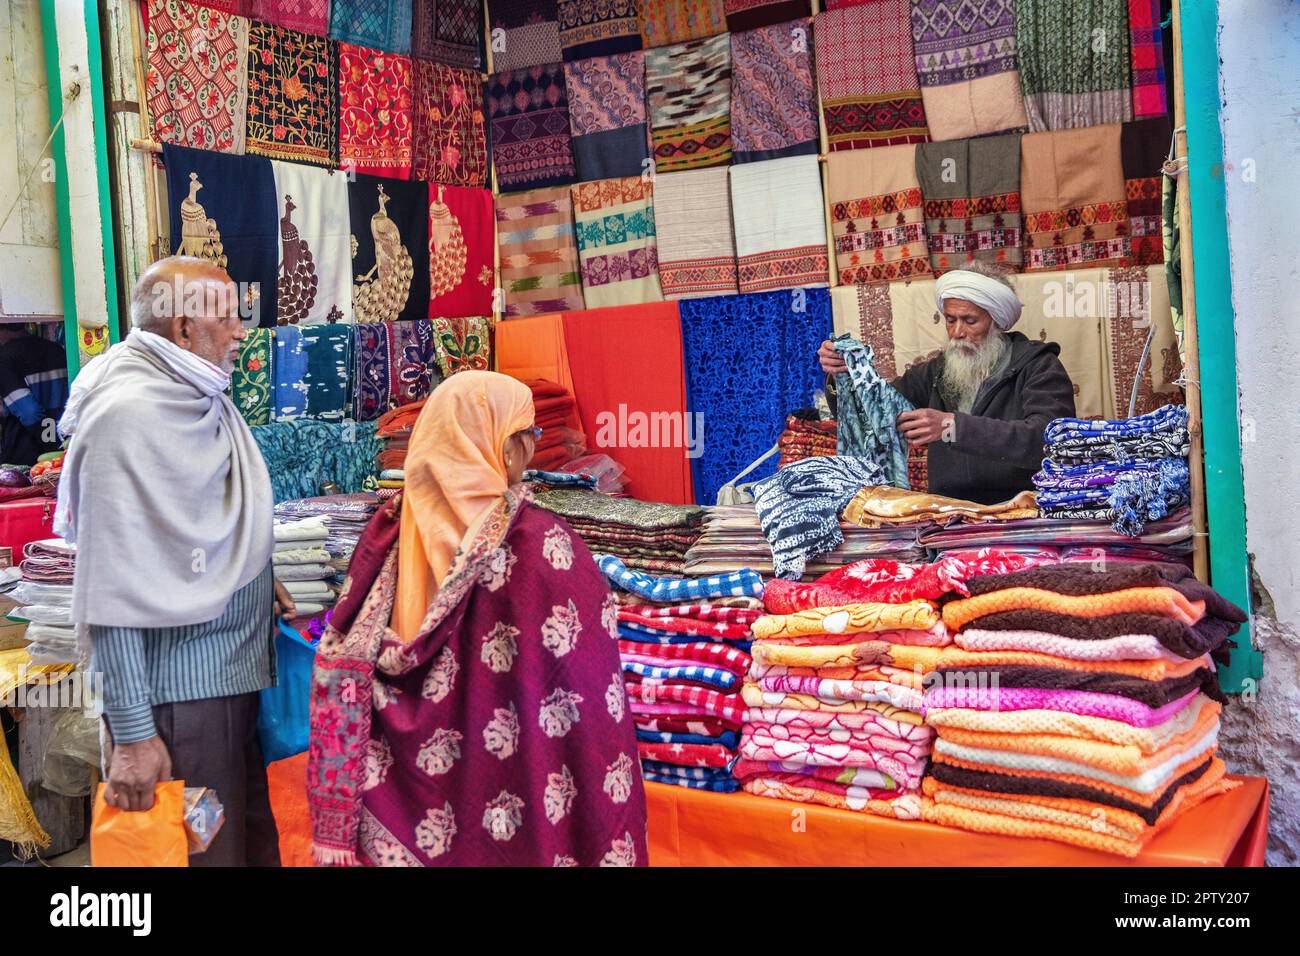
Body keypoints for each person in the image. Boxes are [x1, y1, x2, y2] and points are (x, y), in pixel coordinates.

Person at [309, 370, 647, 867]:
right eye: (528, 436)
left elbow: (352, 647)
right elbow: (593, 693)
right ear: (503, 449)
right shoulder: (539, 544)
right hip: (523, 787)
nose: (534, 449)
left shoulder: (389, 533)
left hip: (413, 791)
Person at [55, 257, 296, 866]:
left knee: (236, 848)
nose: (244, 330)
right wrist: (134, 734)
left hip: (225, 684)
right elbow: (110, 591)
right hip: (179, 706)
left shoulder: (191, 391)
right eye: (229, 316)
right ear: (185, 328)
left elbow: (191, 530)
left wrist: (252, 573)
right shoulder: (129, 418)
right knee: (199, 859)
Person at [819, 261, 1076, 503]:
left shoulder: (1038, 367)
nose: (957, 332)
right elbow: (871, 417)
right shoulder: (936, 372)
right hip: (947, 514)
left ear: (997, 321)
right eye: (951, 320)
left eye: (970, 321)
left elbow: (1049, 441)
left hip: (1020, 511)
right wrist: (841, 376)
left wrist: (952, 427)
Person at [0, 326, 69, 466]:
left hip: (27, 456)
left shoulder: (4, 359)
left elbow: (30, 413)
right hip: (61, 448)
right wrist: (59, 447)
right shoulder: (56, 349)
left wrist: (50, 444)